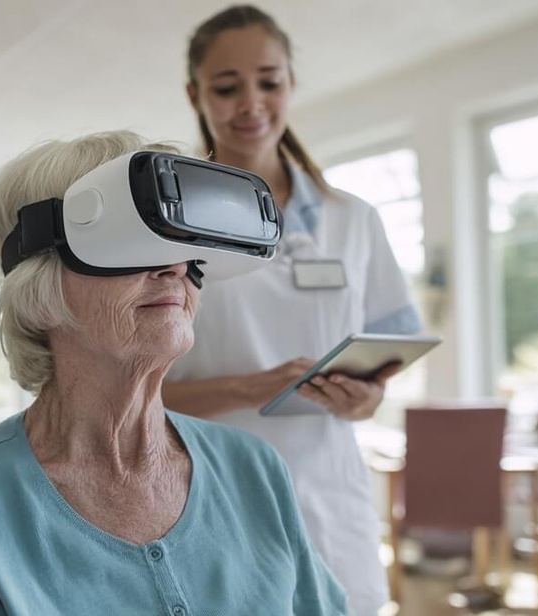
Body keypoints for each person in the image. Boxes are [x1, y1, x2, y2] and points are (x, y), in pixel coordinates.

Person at [0, 131, 347, 615]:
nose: (176, 267)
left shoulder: (254, 470)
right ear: (38, 286)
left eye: (185, 244)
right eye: (133, 242)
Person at [162, 6, 423, 615]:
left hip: (331, 496)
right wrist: (255, 386)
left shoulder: (353, 220)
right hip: (209, 491)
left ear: (291, 85)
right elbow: (140, 394)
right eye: (226, 87)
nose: (250, 102)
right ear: (194, 94)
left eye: (269, 81)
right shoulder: (171, 227)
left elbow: (380, 365)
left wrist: (367, 399)